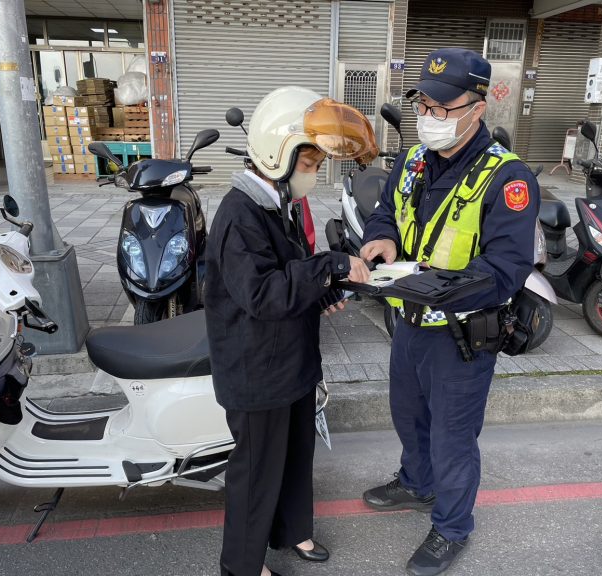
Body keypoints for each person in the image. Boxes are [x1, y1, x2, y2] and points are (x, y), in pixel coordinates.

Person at [360, 48, 540, 576]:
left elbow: (506, 267)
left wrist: (433, 288)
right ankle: (417, 484)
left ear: (476, 109)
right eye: (423, 104)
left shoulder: (507, 177)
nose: (429, 116)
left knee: (452, 438)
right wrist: (381, 242)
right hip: (409, 323)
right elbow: (383, 213)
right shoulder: (413, 160)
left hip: (461, 336)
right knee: (408, 417)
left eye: (442, 107)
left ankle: (452, 526)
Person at [204, 85, 377, 576]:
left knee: (296, 455)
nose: (314, 174)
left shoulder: (275, 205)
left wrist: (324, 290)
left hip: (290, 363)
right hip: (256, 369)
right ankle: (242, 566)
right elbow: (262, 294)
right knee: (256, 473)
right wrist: (329, 265)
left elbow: (291, 272)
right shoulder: (240, 215)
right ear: (278, 155)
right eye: (310, 163)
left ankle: (291, 532)